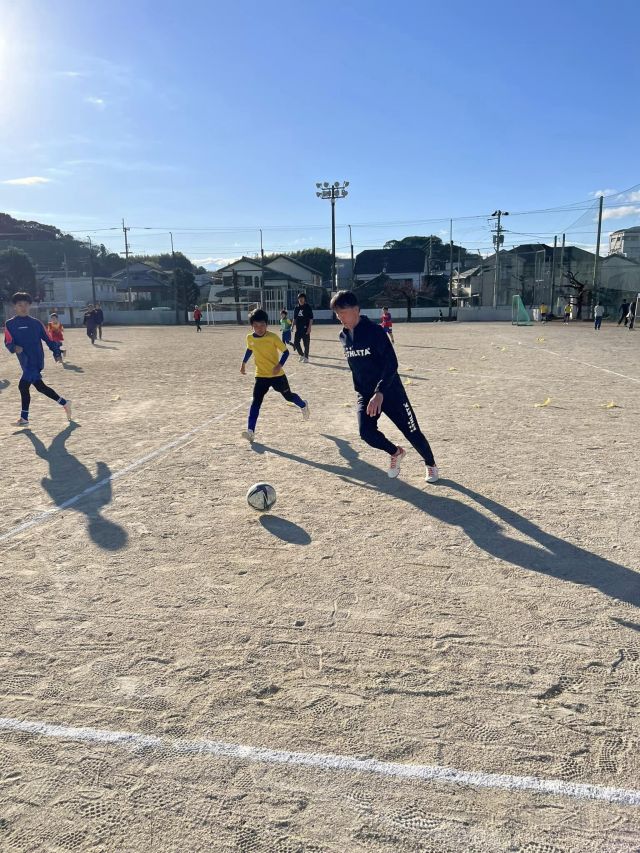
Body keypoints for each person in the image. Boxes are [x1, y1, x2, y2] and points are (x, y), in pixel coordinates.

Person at [330, 290, 438, 483]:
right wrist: (365, 392)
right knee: (366, 433)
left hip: (390, 391)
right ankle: (396, 452)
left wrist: (380, 391)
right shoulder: (343, 336)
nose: (340, 317)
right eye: (337, 314)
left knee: (412, 432)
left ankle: (430, 464)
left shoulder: (375, 331)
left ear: (356, 309)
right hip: (365, 394)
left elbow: (391, 364)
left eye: (342, 312)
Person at [240, 308, 309, 443]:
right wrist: (243, 363)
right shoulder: (249, 338)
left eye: (262, 325)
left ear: (267, 324)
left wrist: (279, 365)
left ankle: (303, 404)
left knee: (289, 397)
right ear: (252, 326)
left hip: (277, 376)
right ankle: (250, 431)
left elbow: (286, 352)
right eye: (256, 326)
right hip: (261, 376)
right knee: (256, 402)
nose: (259, 328)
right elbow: (250, 349)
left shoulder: (272, 337)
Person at [4, 292, 72, 426]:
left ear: (29, 306)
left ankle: (24, 419)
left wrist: (56, 352)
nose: (23, 307)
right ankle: (65, 403)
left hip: (35, 361)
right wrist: (13, 347)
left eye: (26, 305)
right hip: (24, 362)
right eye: (20, 305)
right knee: (40, 387)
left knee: (22, 386)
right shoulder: (10, 324)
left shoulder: (36, 323)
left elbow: (49, 339)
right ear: (15, 307)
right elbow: (7, 341)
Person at [293, 293, 313, 362]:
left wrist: (309, 327)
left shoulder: (308, 307)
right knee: (296, 342)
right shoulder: (296, 308)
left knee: (306, 344)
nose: (301, 299)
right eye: (299, 298)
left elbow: (311, 318)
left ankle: (306, 357)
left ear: (304, 299)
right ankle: (301, 355)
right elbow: (295, 318)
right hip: (298, 329)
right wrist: (292, 326)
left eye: (302, 298)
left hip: (305, 328)